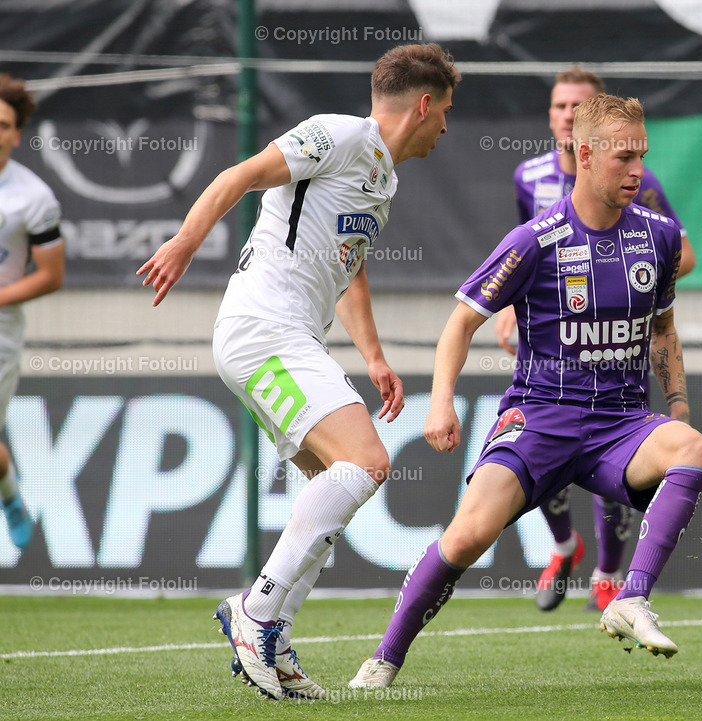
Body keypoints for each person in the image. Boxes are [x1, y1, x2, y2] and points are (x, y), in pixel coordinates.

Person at [349, 93, 702, 690]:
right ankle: (384, 658)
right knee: (465, 538)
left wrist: (675, 408)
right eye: (623, 158)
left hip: (621, 422)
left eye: (641, 156)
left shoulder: (661, 237)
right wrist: (440, 401)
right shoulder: (535, 240)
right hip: (540, 417)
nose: (637, 171)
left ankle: (632, 596)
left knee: (694, 448)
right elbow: (460, 321)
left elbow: (664, 329)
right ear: (586, 153)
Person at [138, 43, 460, 701]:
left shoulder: (383, 178)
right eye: (446, 111)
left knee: (329, 488)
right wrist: (184, 241)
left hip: (290, 339)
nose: (447, 128)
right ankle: (254, 612)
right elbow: (241, 175)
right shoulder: (339, 135)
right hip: (263, 330)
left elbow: (351, 268)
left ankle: (274, 634)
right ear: (423, 104)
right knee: (368, 461)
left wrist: (372, 356)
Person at [499, 67, 697, 613]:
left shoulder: (638, 182)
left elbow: (684, 255)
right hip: (549, 342)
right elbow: (520, 260)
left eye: (576, 106)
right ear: (552, 116)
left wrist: (628, 287)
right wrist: (515, 311)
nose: (566, 114)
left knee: (612, 457)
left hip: (615, 345)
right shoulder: (529, 177)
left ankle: (608, 574)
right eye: (559, 105)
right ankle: (564, 547)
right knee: (540, 450)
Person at [0, 74, 65, 551]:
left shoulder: (34, 199)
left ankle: (9, 495)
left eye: (3, 125)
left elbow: (51, 275)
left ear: (16, 134)